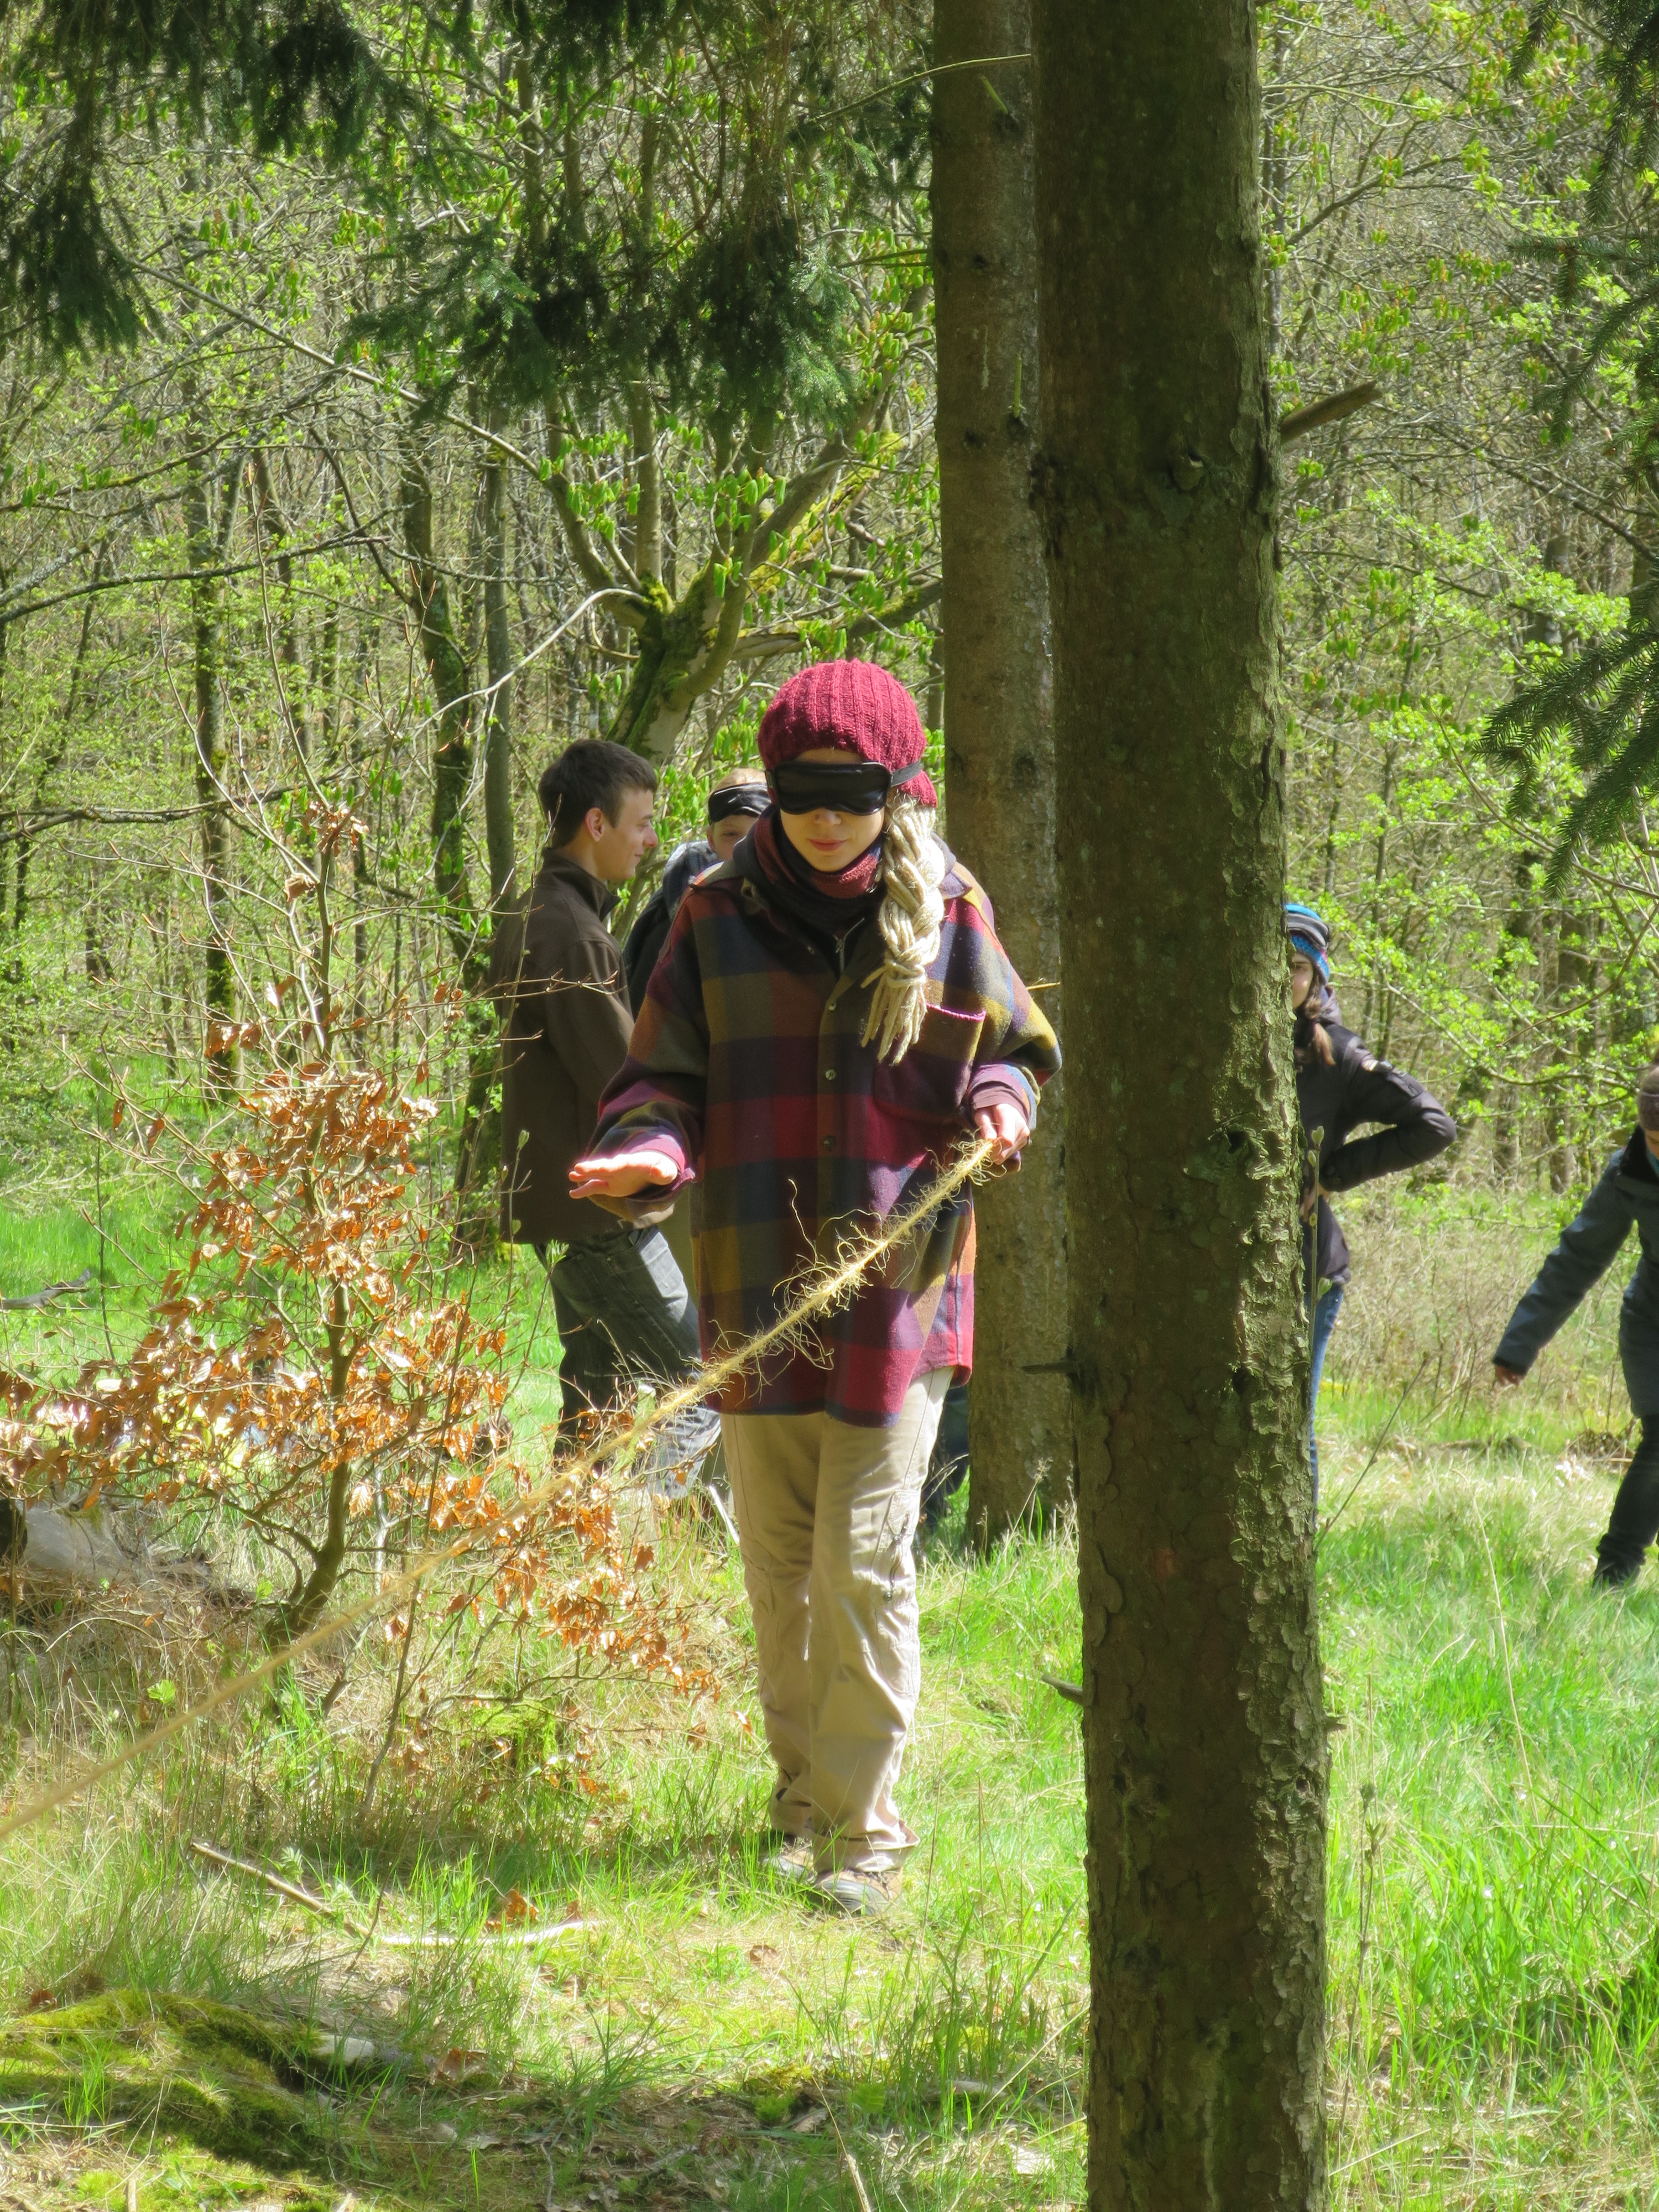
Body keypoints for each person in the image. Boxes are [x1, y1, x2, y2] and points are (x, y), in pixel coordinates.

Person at [570, 659, 1060, 1914]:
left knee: (861, 1558)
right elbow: (659, 1079)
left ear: (900, 791)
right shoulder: (712, 915)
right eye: (801, 797)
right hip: (756, 1288)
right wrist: (647, 1151)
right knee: (779, 1568)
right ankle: (799, 1808)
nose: (828, 821)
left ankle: (865, 1830)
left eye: (853, 796)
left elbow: (1014, 1050)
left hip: (900, 1295)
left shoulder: (948, 909)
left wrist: (1001, 1106)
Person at [498, 738, 719, 1481]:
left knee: (596, 1401)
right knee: (704, 1386)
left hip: (567, 1207)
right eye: (642, 822)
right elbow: (627, 1080)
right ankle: (654, 1529)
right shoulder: (571, 932)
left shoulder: (540, 911)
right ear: (597, 823)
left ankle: (568, 1534)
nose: (652, 840)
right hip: (601, 1213)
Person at [1287, 901, 1455, 1499]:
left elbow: (1434, 1125)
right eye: (1272, 963)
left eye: (1296, 967)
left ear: (1317, 976)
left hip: (1309, 1269)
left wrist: (1331, 1176)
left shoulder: (1337, 1054)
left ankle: (1300, 1549)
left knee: (1291, 1425)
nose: (1283, 978)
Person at [1494, 1065, 1659, 1587]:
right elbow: (1577, 1259)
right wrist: (1519, 1344)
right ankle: (1613, 1578)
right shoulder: (1629, 1170)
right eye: (1656, 1140)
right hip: (1653, 1321)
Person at [623, 768, 770, 1015]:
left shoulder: (801, 911)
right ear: (711, 840)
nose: (744, 848)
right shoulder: (675, 920)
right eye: (731, 834)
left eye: (757, 834)